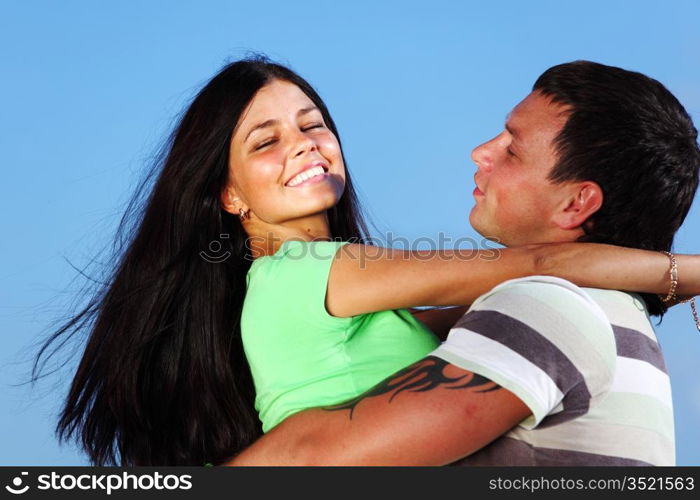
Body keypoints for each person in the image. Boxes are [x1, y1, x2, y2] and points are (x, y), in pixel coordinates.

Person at [33, 58, 699, 466]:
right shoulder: (309, 272)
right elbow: (532, 265)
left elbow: (483, 302)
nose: (303, 146)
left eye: (313, 124)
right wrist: (677, 274)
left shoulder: (335, 288)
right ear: (228, 193)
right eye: (267, 140)